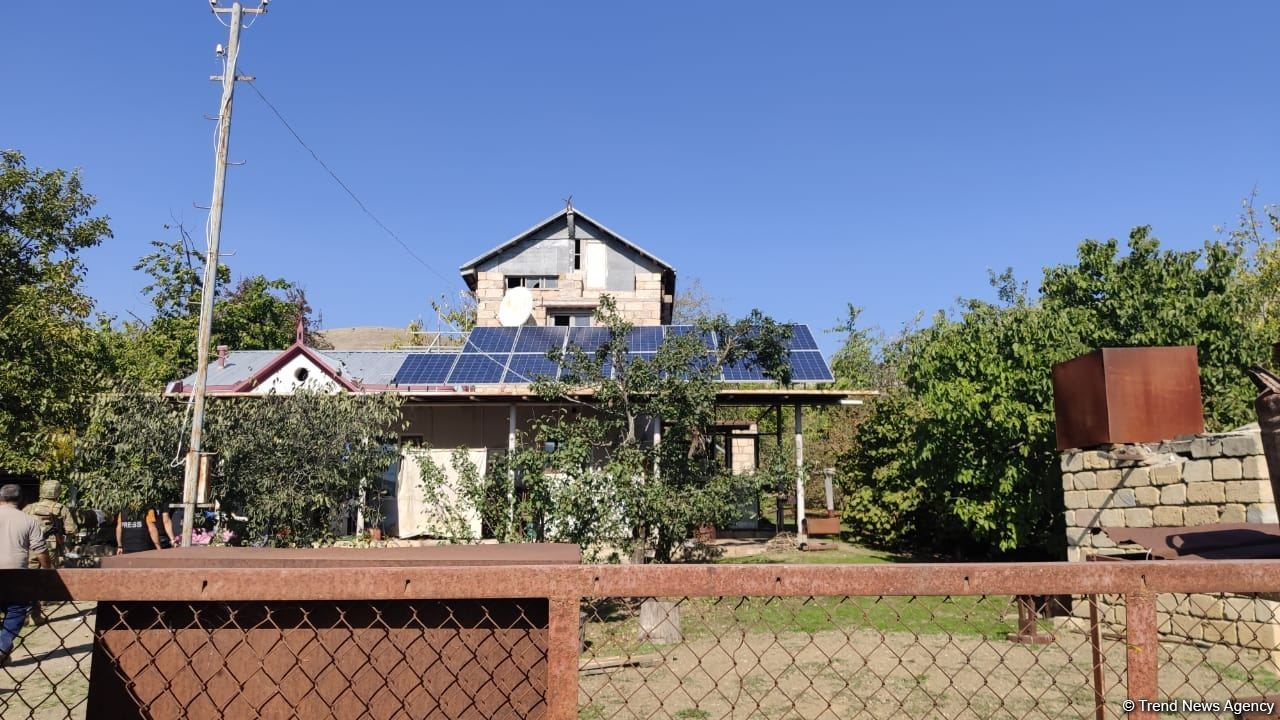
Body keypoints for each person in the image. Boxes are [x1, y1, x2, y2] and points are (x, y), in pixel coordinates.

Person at [0, 483, 50, 668]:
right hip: (16, 574)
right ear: (21, 500)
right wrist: (47, 570)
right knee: (16, 611)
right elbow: (41, 550)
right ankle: (2, 646)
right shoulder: (28, 520)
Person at [22, 480, 78, 624]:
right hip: (49, 548)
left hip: (30, 547)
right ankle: (37, 614)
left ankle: (25, 615)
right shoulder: (61, 509)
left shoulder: (30, 507)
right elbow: (72, 529)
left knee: (28, 580)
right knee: (44, 579)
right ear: (58, 492)